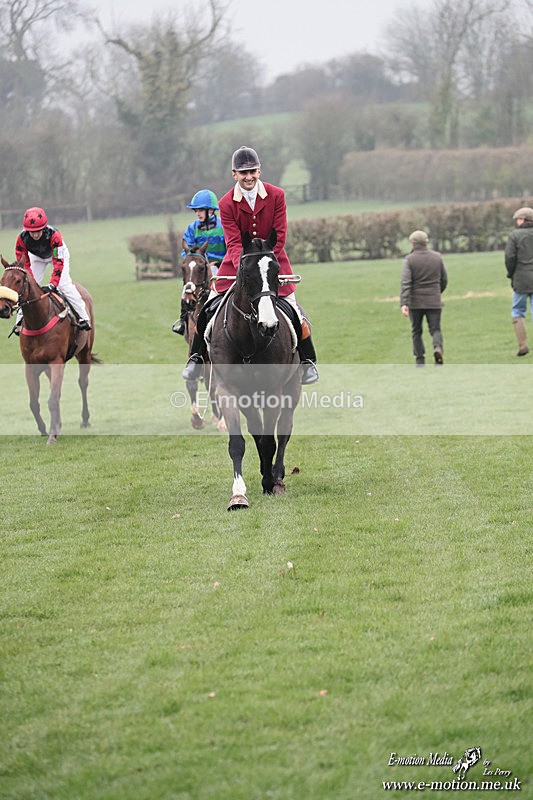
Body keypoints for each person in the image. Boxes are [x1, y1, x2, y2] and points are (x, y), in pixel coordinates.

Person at [182, 146, 319, 384]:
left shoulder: (277, 195)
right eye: (243, 173)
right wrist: (245, 268)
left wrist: (264, 266)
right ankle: (196, 357)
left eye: (253, 171)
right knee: (207, 309)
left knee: (295, 311)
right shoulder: (226, 203)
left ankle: (308, 361)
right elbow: (233, 242)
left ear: (259, 170)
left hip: (272, 261)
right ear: (234, 174)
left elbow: (280, 236)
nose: (249, 177)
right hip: (237, 265)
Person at [12, 207, 91, 334]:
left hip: (57, 255)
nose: (36, 234)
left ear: (44, 227)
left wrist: (53, 284)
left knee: (63, 285)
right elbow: (24, 264)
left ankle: (84, 317)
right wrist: (31, 280)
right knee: (27, 286)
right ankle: (19, 322)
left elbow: (58, 262)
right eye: (32, 232)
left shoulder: (54, 235)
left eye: (38, 231)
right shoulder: (21, 239)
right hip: (36, 257)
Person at [171, 189, 227, 335]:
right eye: (196, 210)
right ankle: (183, 321)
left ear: (211, 210)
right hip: (199, 267)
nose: (198, 213)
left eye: (201, 209)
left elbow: (232, 248)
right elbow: (186, 251)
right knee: (187, 288)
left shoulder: (224, 227)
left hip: (220, 268)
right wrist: (195, 260)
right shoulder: (192, 228)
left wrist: (219, 263)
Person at [400, 230, 448, 366]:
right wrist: (437, 292)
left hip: (415, 303)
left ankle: (420, 359)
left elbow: (406, 282)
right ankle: (437, 349)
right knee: (436, 329)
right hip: (434, 300)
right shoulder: (437, 257)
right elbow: (444, 279)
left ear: (413, 244)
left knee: (416, 330)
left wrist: (404, 302)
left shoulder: (409, 260)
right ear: (426, 242)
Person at [504, 206, 533, 357]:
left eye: (519, 219)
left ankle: (523, 345)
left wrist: (511, 274)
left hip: (521, 279)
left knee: (517, 311)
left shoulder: (514, 236)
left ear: (525, 220)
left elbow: (510, 258)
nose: (517, 221)